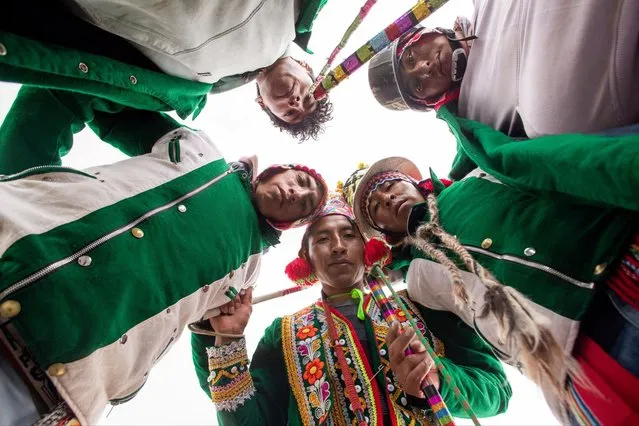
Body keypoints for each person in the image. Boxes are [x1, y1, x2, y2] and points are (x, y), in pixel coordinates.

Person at [0, 122, 328, 425]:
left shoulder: (248, 274)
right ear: (280, 169)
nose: (297, 194)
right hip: (10, 247)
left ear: (292, 225)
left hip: (52, 382)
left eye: (305, 205)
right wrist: (17, 175)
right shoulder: (199, 150)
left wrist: (227, 336)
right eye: (300, 182)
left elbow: (209, 343)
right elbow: (102, 97)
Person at [340, 117, 639, 424]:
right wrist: (439, 379)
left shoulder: (476, 174)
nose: (387, 199)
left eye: (390, 186)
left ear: (413, 182)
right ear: (383, 232)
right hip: (572, 360)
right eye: (376, 207)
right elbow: (490, 385)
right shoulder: (417, 283)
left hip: (617, 263)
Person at [203, 194, 511, 425]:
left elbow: (496, 390)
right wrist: (227, 340)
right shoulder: (284, 332)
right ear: (307, 259)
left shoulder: (423, 301)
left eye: (348, 235)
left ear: (367, 248)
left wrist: (438, 378)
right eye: (323, 239)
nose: (337, 246)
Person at [0, 0, 333, 175]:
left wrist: (19, 188)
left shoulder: (185, 87)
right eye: (307, 97)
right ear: (307, 68)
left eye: (289, 112)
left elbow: (63, 98)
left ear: (263, 105)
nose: (295, 100)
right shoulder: (295, 11)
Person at [368, 0, 639, 137]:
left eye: (411, 58)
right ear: (428, 100)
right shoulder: (479, 115)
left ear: (421, 33)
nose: (425, 69)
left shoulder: (483, 4)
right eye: (417, 85)